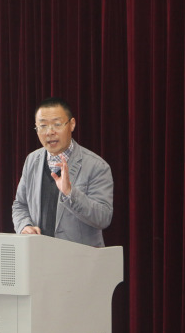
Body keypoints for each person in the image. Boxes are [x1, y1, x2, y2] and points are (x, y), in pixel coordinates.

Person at [12, 97, 113, 247]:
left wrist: (70, 193)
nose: (50, 132)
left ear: (72, 124)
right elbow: (20, 205)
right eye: (43, 126)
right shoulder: (32, 160)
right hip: (39, 254)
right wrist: (24, 226)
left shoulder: (96, 166)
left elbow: (103, 217)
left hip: (79, 257)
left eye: (57, 124)